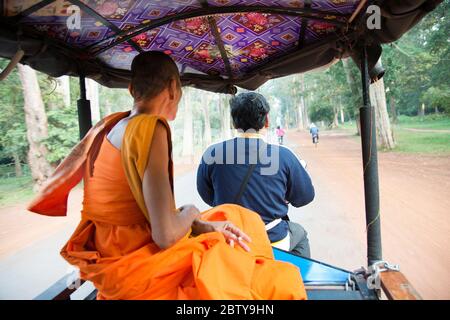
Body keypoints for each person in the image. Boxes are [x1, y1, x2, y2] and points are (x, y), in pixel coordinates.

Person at [27, 52, 306, 300]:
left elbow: (144, 212)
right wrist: (192, 211)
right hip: (138, 264)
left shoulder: (107, 127)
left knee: (229, 217)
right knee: (257, 247)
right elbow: (166, 236)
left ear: (131, 88)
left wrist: (201, 224)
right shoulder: (151, 128)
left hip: (108, 256)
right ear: (173, 87)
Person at [197, 92, 314, 258]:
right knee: (300, 234)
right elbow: (304, 198)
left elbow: (208, 196)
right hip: (271, 237)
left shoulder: (212, 153)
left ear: (233, 122)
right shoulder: (284, 155)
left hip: (228, 236)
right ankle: (299, 281)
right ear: (267, 120)